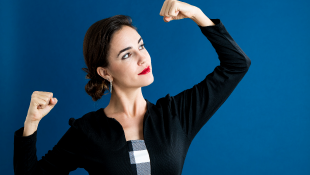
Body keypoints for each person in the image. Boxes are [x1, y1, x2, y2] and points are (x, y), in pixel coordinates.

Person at [13, 0, 251, 174]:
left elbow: (237, 65)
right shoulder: (88, 131)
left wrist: (198, 14)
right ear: (105, 72)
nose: (143, 58)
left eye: (141, 46)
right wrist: (31, 124)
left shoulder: (176, 115)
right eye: (127, 55)